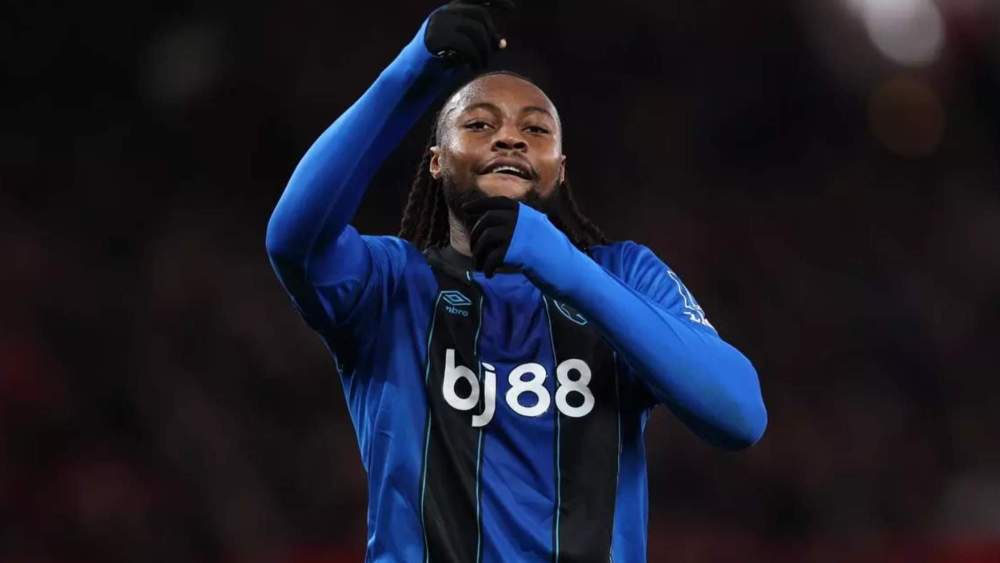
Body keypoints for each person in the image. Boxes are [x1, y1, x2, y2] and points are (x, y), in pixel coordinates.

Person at [265, 2, 767, 561]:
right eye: (479, 124)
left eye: (536, 129)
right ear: (436, 162)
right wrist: (410, 74)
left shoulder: (623, 274)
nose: (510, 139)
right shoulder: (390, 285)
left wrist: (567, 268)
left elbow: (740, 415)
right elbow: (294, 239)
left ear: (560, 167)